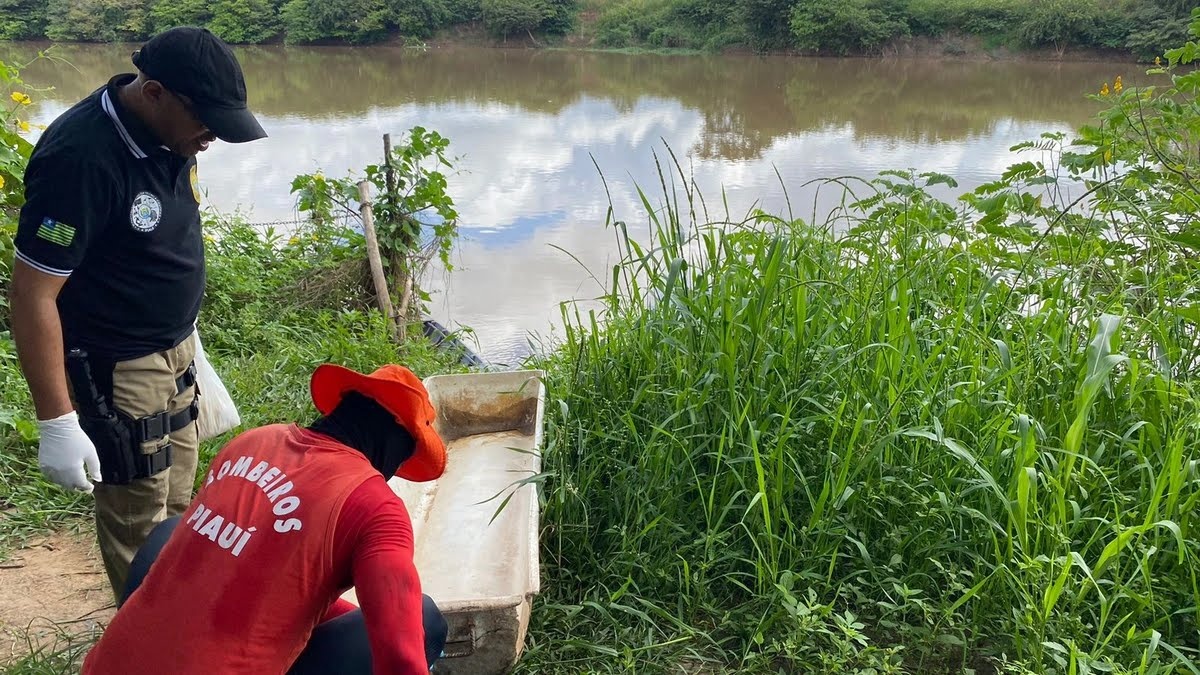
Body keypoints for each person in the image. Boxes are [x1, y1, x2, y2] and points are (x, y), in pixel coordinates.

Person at [8, 25, 267, 599]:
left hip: (176, 352)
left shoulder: (172, 135)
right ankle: (145, 641)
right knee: (138, 520)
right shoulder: (80, 159)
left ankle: (176, 617)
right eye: (206, 122)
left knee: (176, 503)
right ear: (153, 93)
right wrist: (56, 421)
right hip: (120, 368)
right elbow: (32, 295)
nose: (212, 138)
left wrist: (184, 333)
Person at [81, 363, 451, 674]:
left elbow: (277, 580)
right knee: (422, 618)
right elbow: (400, 655)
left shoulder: (253, 442)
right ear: (395, 448)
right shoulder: (374, 506)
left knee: (173, 531)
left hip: (105, 666)